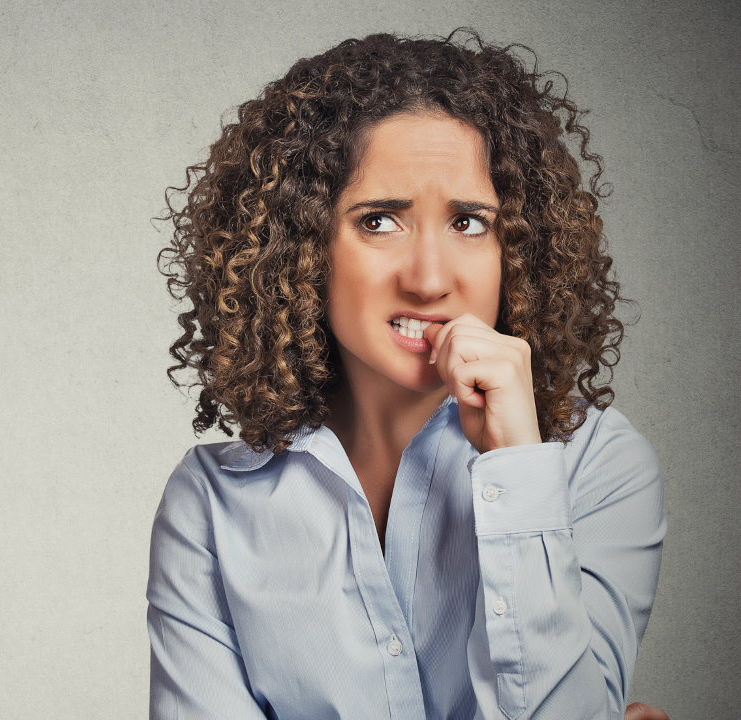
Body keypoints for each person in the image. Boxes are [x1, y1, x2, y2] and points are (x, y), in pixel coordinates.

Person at [149, 31, 668, 720]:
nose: (428, 279)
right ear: (302, 246)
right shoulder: (209, 506)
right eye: (380, 220)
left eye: (470, 223)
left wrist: (518, 469)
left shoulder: (599, 467)